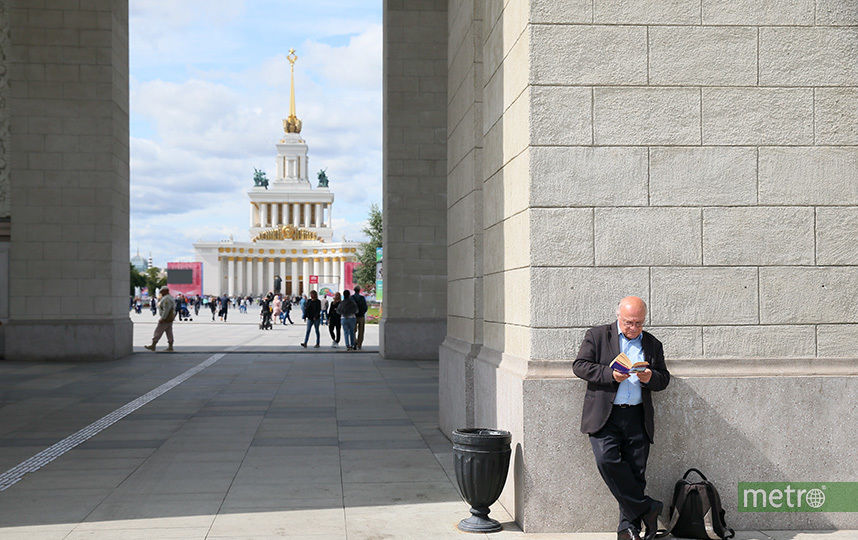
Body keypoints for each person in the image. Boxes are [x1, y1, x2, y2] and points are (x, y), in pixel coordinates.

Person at [572, 297, 671, 540]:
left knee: (636, 473)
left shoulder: (652, 344)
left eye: (638, 323)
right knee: (607, 460)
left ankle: (628, 530)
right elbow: (580, 366)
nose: (633, 328)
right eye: (628, 323)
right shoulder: (598, 336)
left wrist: (650, 378)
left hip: (637, 415)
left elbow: (664, 378)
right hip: (606, 415)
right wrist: (609, 374)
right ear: (619, 317)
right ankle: (648, 507)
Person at [144, 287, 176, 352]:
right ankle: (170, 346)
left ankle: (153, 345)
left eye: (162, 291)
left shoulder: (166, 299)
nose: (160, 293)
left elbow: (166, 310)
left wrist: (162, 318)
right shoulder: (169, 297)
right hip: (169, 319)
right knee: (169, 332)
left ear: (165, 291)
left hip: (166, 319)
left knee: (158, 331)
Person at [353, 285, 368, 350]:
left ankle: (354, 342)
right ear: (359, 291)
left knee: (353, 331)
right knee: (361, 331)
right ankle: (359, 344)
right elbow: (365, 307)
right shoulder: (362, 298)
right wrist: (363, 312)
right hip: (361, 316)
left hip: (353, 316)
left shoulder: (352, 298)